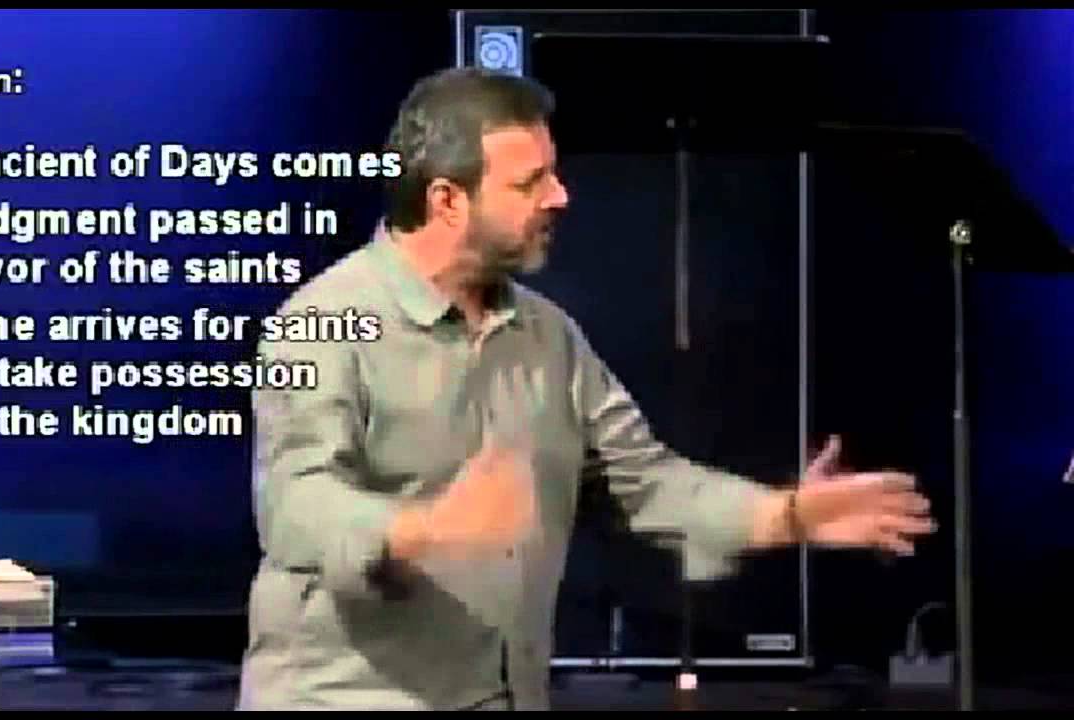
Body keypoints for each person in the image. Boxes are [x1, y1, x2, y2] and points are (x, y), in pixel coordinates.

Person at [236, 67, 935, 711]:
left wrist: (787, 515)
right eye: (530, 182)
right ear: (447, 200)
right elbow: (296, 501)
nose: (560, 197)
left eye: (555, 174)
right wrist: (423, 530)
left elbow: (648, 483)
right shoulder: (321, 323)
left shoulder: (550, 337)